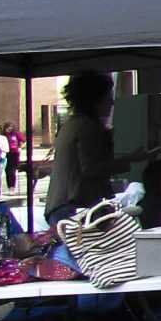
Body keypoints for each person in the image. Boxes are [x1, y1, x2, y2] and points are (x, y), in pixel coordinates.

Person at [44, 70, 118, 220]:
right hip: (75, 207)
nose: (111, 102)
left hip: (63, 204)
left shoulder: (72, 124)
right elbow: (91, 168)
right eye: (107, 97)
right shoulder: (88, 127)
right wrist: (126, 162)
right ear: (95, 100)